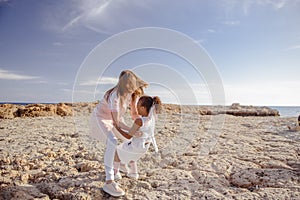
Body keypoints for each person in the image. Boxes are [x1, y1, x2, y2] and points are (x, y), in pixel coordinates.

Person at [90, 70, 147, 197]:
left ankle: (122, 165)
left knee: (129, 142)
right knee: (113, 142)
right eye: (130, 85)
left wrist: (141, 126)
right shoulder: (114, 95)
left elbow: (134, 114)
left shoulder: (132, 95)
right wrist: (131, 131)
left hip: (116, 121)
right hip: (100, 119)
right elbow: (116, 122)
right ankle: (109, 181)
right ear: (125, 84)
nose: (133, 88)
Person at [113, 96, 162, 180]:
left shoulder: (139, 121)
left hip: (136, 146)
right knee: (133, 156)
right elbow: (139, 132)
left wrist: (117, 128)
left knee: (117, 152)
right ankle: (134, 173)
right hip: (145, 147)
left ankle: (115, 173)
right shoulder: (151, 120)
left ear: (143, 108)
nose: (136, 107)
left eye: (138, 105)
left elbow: (128, 136)